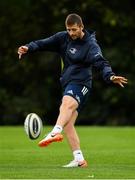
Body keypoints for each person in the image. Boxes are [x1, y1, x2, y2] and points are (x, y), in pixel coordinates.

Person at [18, 13, 128, 168]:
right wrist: (28, 47)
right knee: (69, 123)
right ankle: (79, 159)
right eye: (69, 29)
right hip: (68, 82)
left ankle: (55, 131)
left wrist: (110, 76)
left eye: (74, 29)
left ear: (81, 27)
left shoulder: (91, 45)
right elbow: (43, 43)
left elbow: (101, 63)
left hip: (81, 84)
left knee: (65, 104)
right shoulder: (63, 38)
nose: (71, 33)